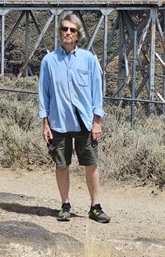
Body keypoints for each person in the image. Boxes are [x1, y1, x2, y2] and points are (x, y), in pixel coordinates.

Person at [38, 11, 110, 223]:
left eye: (72, 30)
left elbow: (98, 91)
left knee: (91, 163)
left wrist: (97, 121)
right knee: (61, 164)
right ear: (60, 32)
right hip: (58, 122)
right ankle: (65, 205)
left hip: (85, 122)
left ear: (78, 34)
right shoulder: (49, 61)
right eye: (64, 29)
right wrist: (45, 123)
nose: (68, 32)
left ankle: (95, 207)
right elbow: (44, 93)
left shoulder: (88, 59)